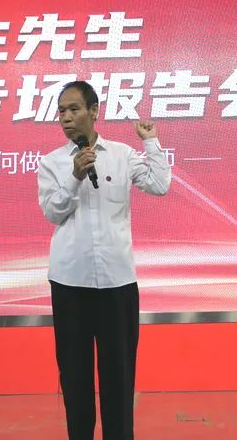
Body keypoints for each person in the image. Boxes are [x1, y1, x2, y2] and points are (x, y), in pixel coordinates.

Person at [37, 80, 171, 440]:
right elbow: (52, 212)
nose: (66, 117)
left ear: (94, 111)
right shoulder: (52, 163)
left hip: (117, 282)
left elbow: (159, 185)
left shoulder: (122, 155)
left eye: (74, 109)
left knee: (119, 375)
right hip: (70, 283)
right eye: (61, 111)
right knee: (74, 375)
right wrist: (75, 176)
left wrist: (151, 142)